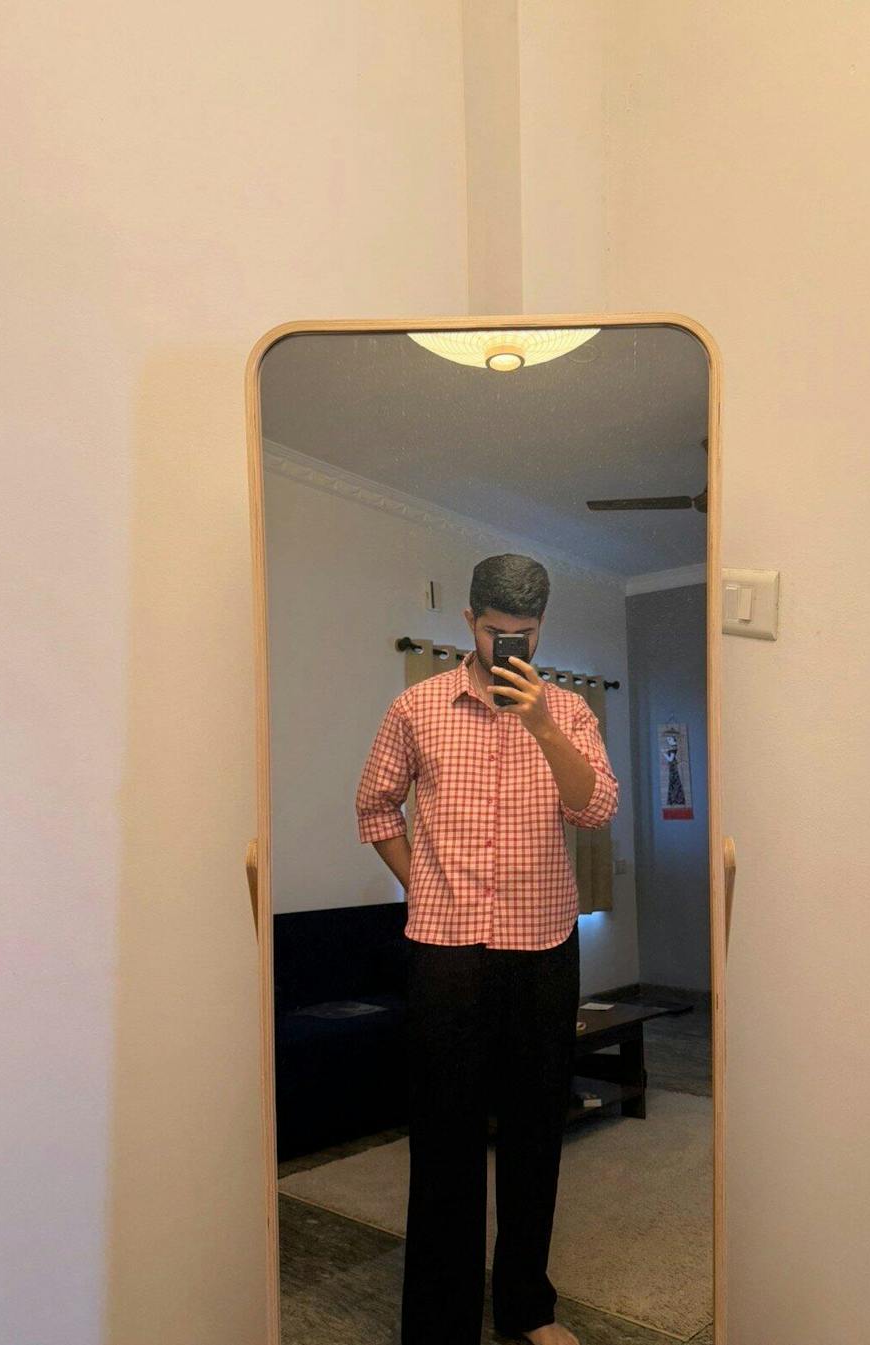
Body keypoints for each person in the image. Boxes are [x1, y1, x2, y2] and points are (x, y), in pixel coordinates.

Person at [355, 554, 619, 1345]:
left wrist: (542, 724)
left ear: (542, 629)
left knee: (537, 1134)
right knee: (446, 1140)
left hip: (543, 947)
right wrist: (426, 884)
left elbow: (596, 808)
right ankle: (440, 1324)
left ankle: (527, 1306)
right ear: (469, 621)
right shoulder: (417, 706)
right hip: (446, 951)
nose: (511, 647)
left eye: (526, 635)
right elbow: (375, 806)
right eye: (497, 631)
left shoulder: (570, 712)